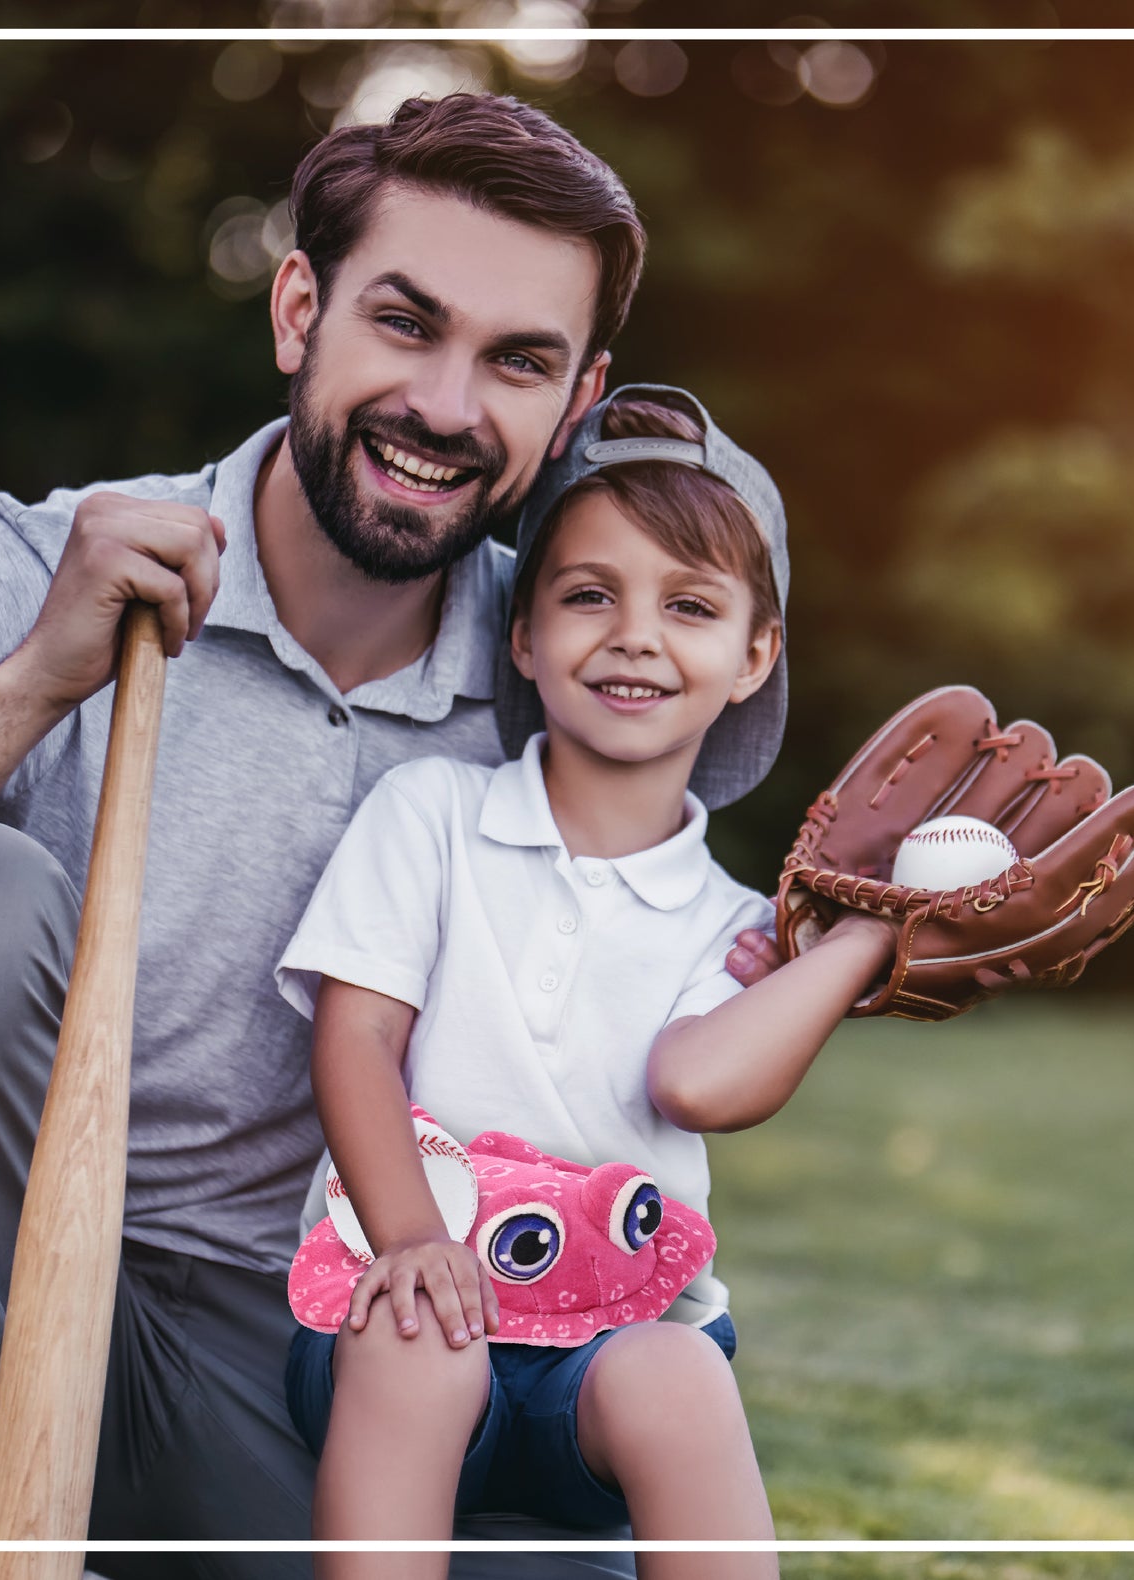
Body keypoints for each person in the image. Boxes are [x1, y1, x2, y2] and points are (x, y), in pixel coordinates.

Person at [0, 93, 783, 1576]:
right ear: (297, 309)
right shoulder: (30, 567)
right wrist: (31, 683)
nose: (450, 407)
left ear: (577, 397)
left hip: (300, 1332)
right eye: (405, 323)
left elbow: (680, 944)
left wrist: (883, 938)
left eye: (517, 361)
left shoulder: (568, 671)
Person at [274, 387, 896, 1578]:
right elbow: (352, 1040)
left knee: (676, 1373)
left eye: (692, 605)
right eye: (588, 594)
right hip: (395, 1301)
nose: (635, 635)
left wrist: (857, 941)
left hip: (601, 1356)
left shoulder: (733, 927)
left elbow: (699, 1082)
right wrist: (412, 1237)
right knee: (419, 1336)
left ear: (752, 653)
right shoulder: (433, 816)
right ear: (522, 631)